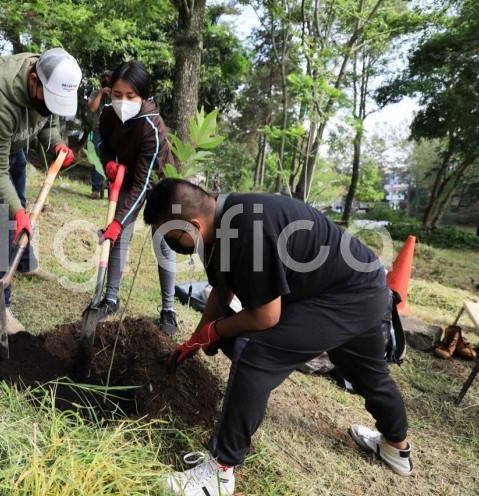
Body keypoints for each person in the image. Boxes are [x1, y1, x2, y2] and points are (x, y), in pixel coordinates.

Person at [143, 178, 414, 496]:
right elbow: (222, 288)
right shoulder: (222, 219)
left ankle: (219, 472)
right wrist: (198, 337)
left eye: (170, 235)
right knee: (366, 373)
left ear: (191, 225)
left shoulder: (247, 229)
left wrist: (215, 331)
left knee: (257, 353)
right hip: (363, 286)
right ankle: (398, 449)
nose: (169, 244)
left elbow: (265, 316)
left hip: (351, 294)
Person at [0, 48, 80, 333]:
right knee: (9, 217)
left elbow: (50, 120)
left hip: (13, 147)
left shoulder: (48, 84)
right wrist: (17, 212)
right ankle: (1, 303)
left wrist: (56, 143)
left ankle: (25, 263)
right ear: (33, 81)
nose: (50, 106)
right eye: (47, 100)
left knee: (17, 205)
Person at [97, 61, 178, 335]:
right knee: (119, 237)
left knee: (162, 241)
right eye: (117, 95)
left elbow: (145, 184)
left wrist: (118, 220)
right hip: (128, 177)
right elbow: (102, 143)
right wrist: (108, 162)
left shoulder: (152, 127)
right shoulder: (108, 114)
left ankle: (168, 309)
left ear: (143, 95)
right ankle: (110, 299)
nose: (122, 102)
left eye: (130, 96)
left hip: (159, 182)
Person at [86, 70, 112, 199]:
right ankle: (96, 189)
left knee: (113, 158)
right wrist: (101, 93)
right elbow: (92, 108)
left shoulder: (116, 94)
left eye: (109, 78)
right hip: (98, 130)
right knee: (96, 157)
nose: (106, 79)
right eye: (104, 77)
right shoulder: (96, 93)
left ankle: (112, 188)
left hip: (113, 132)